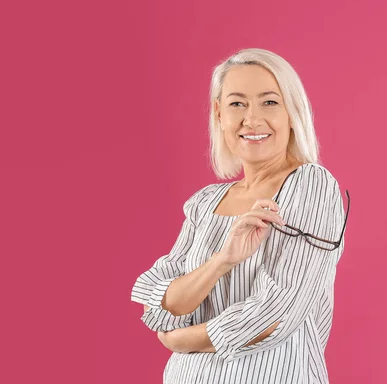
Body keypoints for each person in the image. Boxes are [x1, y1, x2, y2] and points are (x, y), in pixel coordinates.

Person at [130, 48, 350, 384]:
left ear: (293, 112)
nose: (252, 119)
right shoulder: (205, 203)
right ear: (219, 114)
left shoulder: (311, 186)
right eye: (237, 103)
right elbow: (160, 305)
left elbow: (274, 316)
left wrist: (183, 339)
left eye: (269, 102)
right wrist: (222, 260)